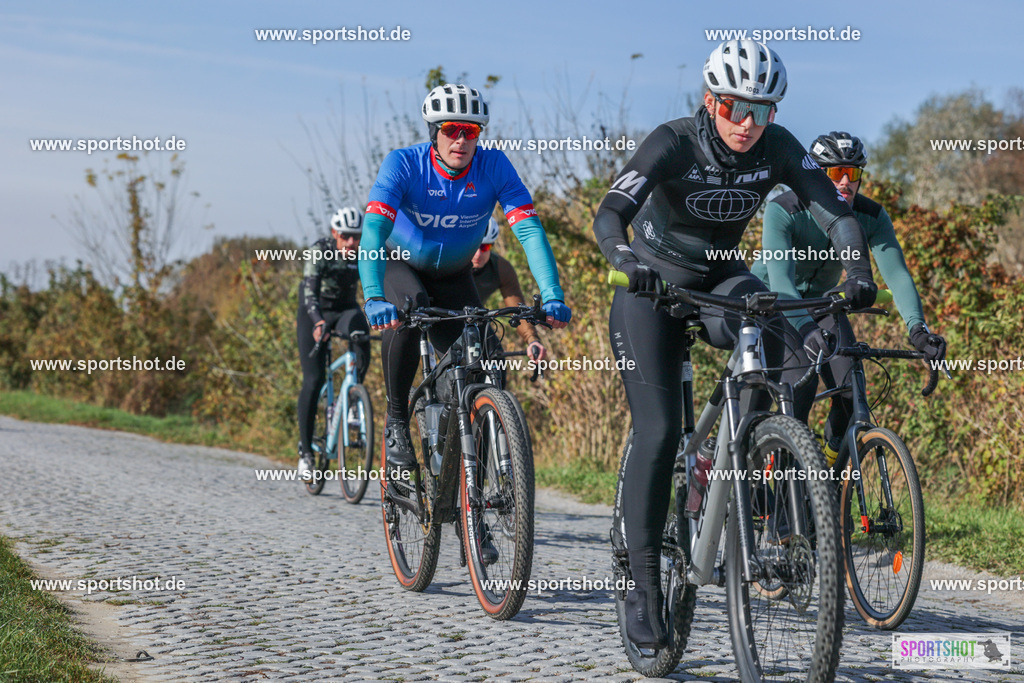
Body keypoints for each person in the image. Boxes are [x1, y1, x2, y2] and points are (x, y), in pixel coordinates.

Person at [592, 40, 876, 649]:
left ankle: (744, 460)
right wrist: (622, 258)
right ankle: (640, 579)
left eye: (761, 111)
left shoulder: (778, 146)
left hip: (720, 280)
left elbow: (835, 213)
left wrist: (856, 271)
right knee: (661, 427)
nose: (747, 124)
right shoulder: (672, 141)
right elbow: (610, 211)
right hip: (649, 290)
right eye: (733, 109)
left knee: (768, 320)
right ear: (709, 100)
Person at [358, 83, 570, 476]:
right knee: (408, 313)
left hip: (453, 273)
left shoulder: (495, 167)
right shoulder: (403, 164)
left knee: (485, 349)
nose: (460, 139)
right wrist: (373, 296)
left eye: (470, 131)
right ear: (434, 132)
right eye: (451, 129)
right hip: (399, 264)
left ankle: (476, 459)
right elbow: (372, 231)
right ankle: (397, 422)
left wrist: (551, 293)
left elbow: (528, 230)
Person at [753, 131, 947, 461]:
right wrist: (804, 330)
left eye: (853, 173)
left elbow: (896, 275)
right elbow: (781, 282)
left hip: (823, 303)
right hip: (776, 304)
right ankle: (779, 495)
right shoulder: (784, 208)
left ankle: (827, 473)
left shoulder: (870, 215)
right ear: (815, 174)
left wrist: (918, 330)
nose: (845, 181)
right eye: (834, 173)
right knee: (799, 391)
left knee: (849, 391)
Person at [296, 207, 371, 480]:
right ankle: (305, 452)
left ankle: (353, 399)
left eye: (356, 236)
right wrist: (317, 322)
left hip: (345, 310)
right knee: (313, 380)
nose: (351, 242)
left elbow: (378, 282)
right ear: (334, 234)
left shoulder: (364, 251)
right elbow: (309, 292)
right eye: (345, 236)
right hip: (314, 312)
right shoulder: (320, 251)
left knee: (362, 334)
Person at [472, 218, 547, 361]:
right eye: (474, 246)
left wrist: (533, 340)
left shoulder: (501, 268)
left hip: (474, 320)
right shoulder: (451, 261)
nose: (478, 254)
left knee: (496, 357)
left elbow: (517, 308)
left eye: (485, 247)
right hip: (440, 317)